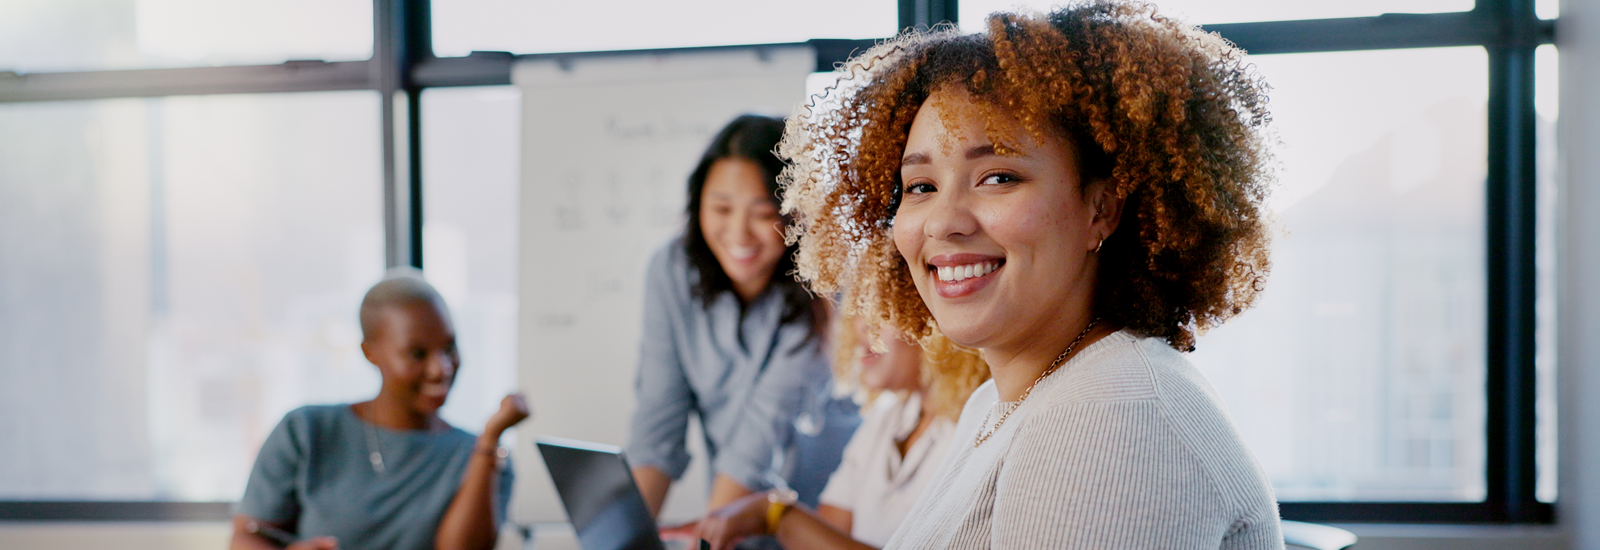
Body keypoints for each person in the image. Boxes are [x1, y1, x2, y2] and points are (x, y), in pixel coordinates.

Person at [778, 1, 1282, 548]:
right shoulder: (999, 402)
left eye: (997, 177)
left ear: (1101, 210)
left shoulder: (1112, 416)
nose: (943, 220)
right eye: (920, 186)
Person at [627, 115, 848, 522]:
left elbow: (763, 429)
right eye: (721, 209)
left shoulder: (826, 278)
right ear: (698, 207)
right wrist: (624, 536)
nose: (738, 233)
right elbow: (658, 420)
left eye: (763, 213)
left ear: (795, 214)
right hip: (733, 519)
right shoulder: (671, 270)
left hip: (820, 525)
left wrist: (713, 534)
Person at [231, 269, 529, 550]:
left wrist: (490, 440)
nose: (441, 368)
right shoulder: (306, 431)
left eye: (449, 347)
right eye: (417, 353)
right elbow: (246, 539)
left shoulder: (483, 458)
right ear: (369, 352)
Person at [689, 312, 988, 550]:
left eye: (882, 310)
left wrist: (777, 514)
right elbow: (826, 536)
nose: (862, 326)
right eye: (860, 307)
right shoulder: (885, 423)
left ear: (933, 317)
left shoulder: (985, 429)